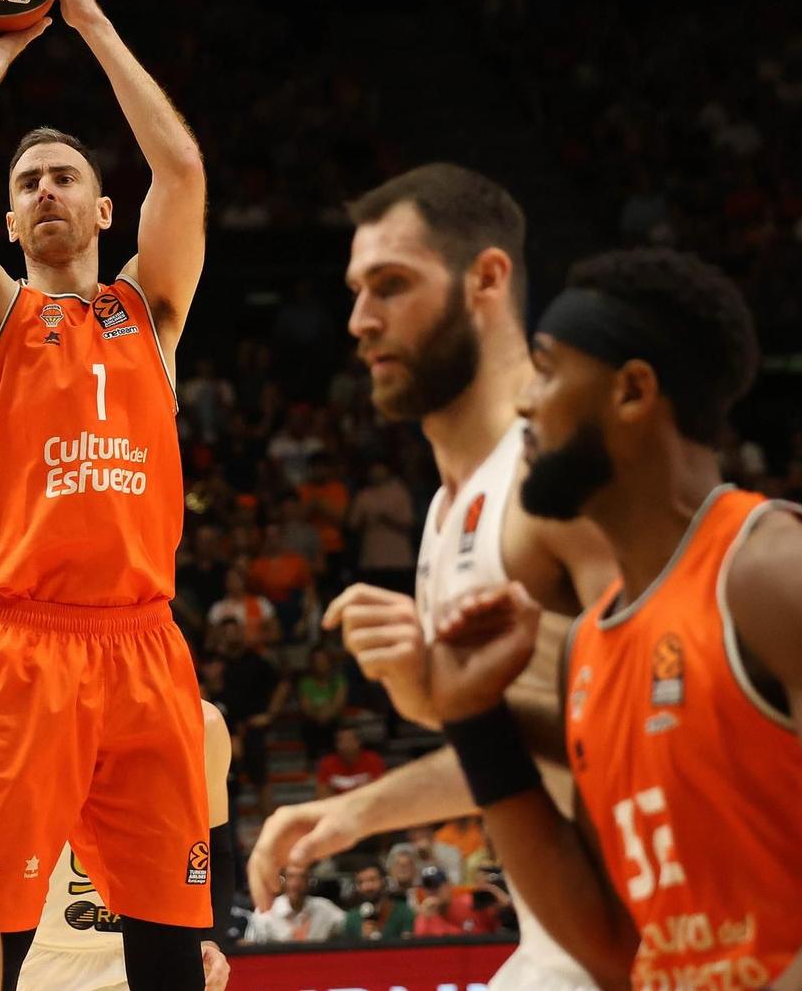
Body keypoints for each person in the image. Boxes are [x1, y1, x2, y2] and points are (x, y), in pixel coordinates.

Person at [425, 247, 802, 990]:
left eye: (547, 370)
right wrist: (476, 722)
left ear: (632, 391)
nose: (524, 403)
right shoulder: (588, 643)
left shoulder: (771, 569)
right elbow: (617, 944)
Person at [0, 0, 213, 991]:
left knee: (170, 943)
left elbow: (180, 165)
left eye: (63, 177)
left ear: (100, 206)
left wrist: (82, 17)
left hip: (143, 647)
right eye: (26, 180)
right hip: (20, 651)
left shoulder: (151, 312)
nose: (43, 189)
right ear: (9, 216)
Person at [249, 164, 615, 991]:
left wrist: (451, 702)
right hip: (561, 949)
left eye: (392, 285)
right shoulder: (449, 510)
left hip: (653, 949)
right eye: (355, 289)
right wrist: (358, 810)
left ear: (488, 277)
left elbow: (676, 717)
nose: (359, 320)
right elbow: (541, 753)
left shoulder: (562, 474)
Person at [16, 704, 234, 991]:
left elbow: (214, 850)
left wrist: (209, 938)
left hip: (160, 944)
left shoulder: (204, 723)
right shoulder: (27, 717)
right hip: (41, 951)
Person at [244, 865, 347, 944]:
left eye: (302, 877)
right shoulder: (265, 910)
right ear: (283, 881)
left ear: (309, 881)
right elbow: (250, 945)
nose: (296, 884)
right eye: (291, 877)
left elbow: (350, 924)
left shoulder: (325, 908)